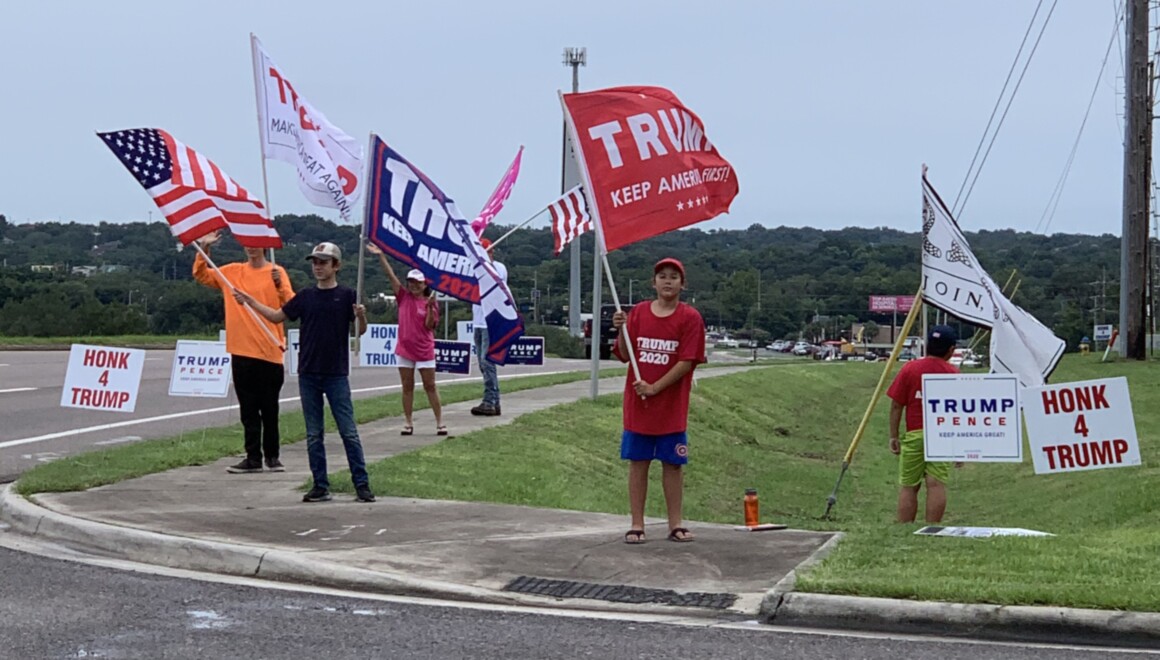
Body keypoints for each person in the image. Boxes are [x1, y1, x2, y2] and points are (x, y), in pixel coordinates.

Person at [233, 242, 375, 504]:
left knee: (348, 431)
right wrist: (251, 302)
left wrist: (361, 317)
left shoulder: (347, 296)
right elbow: (277, 316)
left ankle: (362, 484)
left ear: (336, 266)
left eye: (323, 262)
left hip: (335, 373)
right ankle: (320, 484)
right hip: (308, 372)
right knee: (313, 433)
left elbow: (359, 331)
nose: (318, 267)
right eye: (315, 262)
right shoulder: (306, 296)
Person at [610, 258, 706, 544]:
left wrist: (656, 387)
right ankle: (637, 523)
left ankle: (675, 523)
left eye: (674, 277)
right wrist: (621, 329)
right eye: (662, 276)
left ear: (682, 284)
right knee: (638, 462)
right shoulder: (638, 313)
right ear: (654, 283)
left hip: (670, 408)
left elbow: (687, 361)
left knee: (672, 464)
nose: (667, 281)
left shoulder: (690, 318)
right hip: (639, 406)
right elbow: (626, 355)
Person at [193, 230, 293, 474]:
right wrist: (205, 249)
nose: (252, 248)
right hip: (241, 351)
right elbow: (202, 275)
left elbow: (291, 303)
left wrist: (280, 287)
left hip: (269, 350)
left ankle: (272, 456)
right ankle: (253, 457)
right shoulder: (232, 272)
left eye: (256, 244)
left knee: (269, 409)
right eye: (248, 244)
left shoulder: (276, 272)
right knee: (248, 410)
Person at [367, 244, 445, 436]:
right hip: (405, 349)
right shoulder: (403, 297)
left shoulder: (431, 303)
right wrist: (382, 256)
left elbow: (429, 326)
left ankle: (439, 422)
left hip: (424, 349)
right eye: (411, 281)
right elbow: (391, 276)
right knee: (407, 386)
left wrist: (429, 308)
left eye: (418, 282)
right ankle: (408, 422)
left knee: (430, 386)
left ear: (425, 284)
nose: (414, 285)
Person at [886, 324, 960, 523]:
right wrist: (960, 447)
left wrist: (894, 435)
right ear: (951, 350)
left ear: (927, 345)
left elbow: (896, 405)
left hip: (915, 434)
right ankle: (932, 528)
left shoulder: (910, 369)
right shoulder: (953, 374)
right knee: (935, 484)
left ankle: (904, 528)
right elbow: (960, 412)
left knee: (909, 485)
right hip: (942, 435)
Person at [470, 238, 508, 416]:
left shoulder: (498, 268)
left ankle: (490, 400)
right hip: (478, 320)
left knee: (487, 362)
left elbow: (492, 279)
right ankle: (495, 400)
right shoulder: (475, 269)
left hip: (490, 322)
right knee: (483, 363)